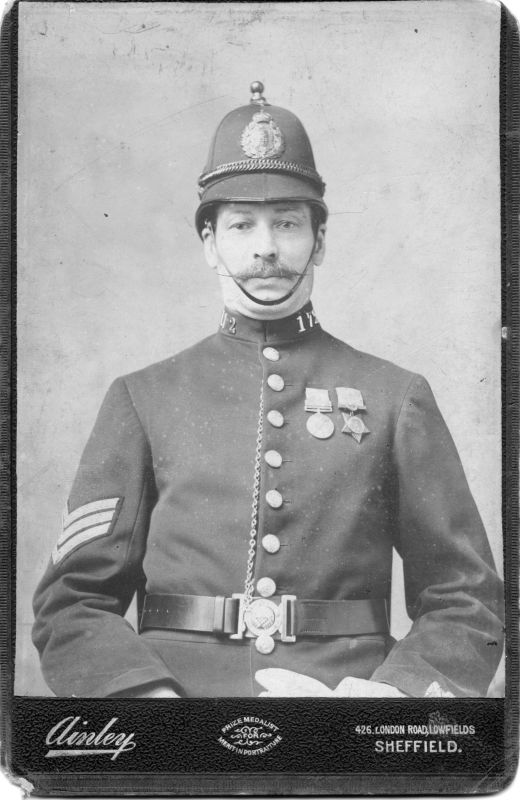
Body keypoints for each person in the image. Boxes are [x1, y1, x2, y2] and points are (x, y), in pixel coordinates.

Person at [32, 82, 504, 699]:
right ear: (209, 245)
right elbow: (72, 601)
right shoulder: (142, 397)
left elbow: (466, 599)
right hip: (176, 714)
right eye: (241, 226)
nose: (265, 248)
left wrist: (393, 699)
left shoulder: (396, 397)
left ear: (320, 241)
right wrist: (146, 703)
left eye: (286, 223)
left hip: (346, 711)